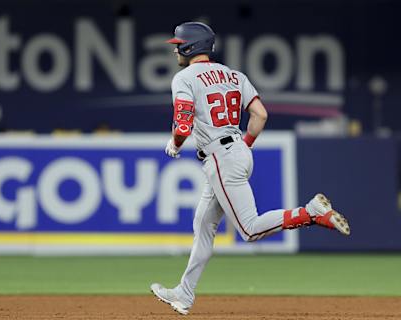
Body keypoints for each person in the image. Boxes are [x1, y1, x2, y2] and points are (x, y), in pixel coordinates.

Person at [150, 22, 350, 315]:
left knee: (249, 229)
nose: (176, 49)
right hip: (237, 149)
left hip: (220, 156)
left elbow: (182, 125)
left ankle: (310, 212)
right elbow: (260, 114)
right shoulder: (235, 75)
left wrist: (176, 144)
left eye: (179, 44)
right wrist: (243, 145)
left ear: (191, 46)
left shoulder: (184, 77)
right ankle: (184, 293)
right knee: (203, 225)